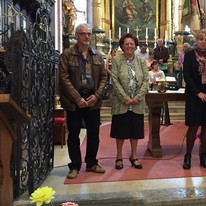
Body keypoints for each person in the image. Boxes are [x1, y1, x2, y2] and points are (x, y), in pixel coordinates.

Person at [59, 23, 108, 179]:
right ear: (76, 36)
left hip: (93, 99)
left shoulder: (97, 56)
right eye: (84, 33)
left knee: (94, 133)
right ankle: (74, 166)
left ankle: (92, 163)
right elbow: (63, 78)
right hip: (74, 101)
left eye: (89, 33)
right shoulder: (67, 55)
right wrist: (77, 98)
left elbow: (103, 77)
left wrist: (97, 95)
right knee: (74, 134)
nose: (87, 36)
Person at [182, 29, 206, 170]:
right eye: (201, 39)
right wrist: (199, 93)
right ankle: (188, 155)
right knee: (193, 127)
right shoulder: (189, 55)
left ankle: (203, 155)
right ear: (196, 41)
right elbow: (187, 76)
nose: (203, 42)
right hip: (195, 96)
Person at [110, 33, 149, 170]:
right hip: (121, 103)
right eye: (126, 44)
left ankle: (134, 156)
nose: (129, 46)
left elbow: (146, 80)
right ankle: (119, 156)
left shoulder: (141, 61)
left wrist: (137, 97)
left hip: (137, 103)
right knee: (120, 131)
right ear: (122, 45)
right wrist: (125, 98)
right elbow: (114, 80)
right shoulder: (116, 61)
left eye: (132, 44)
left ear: (135, 46)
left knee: (135, 131)